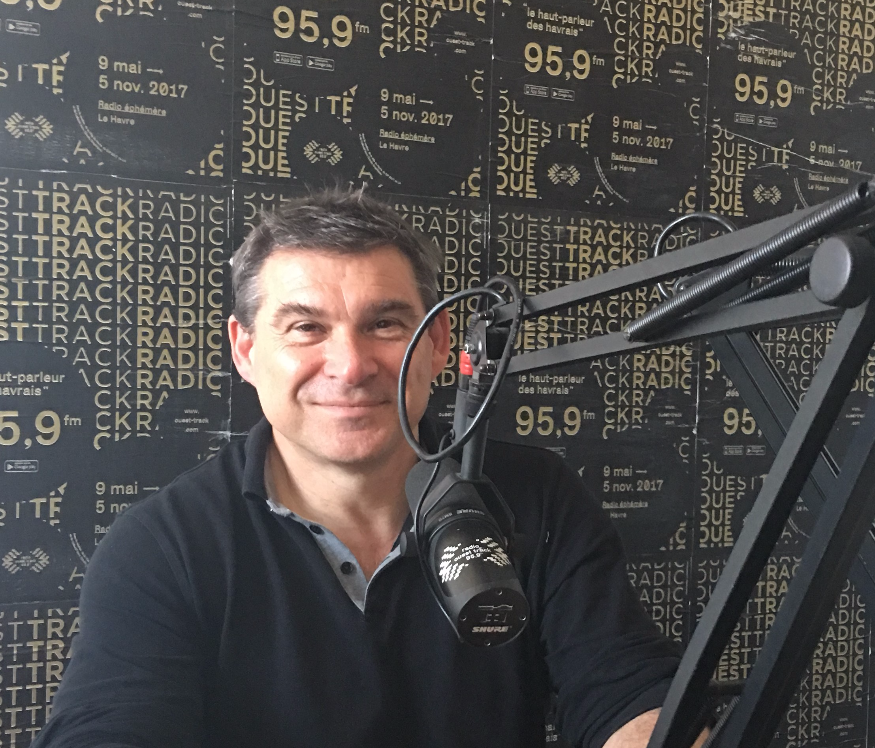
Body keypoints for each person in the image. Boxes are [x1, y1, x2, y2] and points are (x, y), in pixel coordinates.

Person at [33, 189, 682, 748]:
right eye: (306, 328)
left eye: (385, 324)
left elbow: (623, 690)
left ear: (436, 344)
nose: (349, 366)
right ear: (246, 351)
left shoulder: (537, 498)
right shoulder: (163, 546)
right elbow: (110, 724)